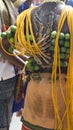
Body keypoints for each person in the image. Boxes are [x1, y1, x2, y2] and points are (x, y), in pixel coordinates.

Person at [1, 0, 73, 130]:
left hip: (36, 95)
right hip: (65, 94)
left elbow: (4, 46)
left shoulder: (26, 17)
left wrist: (26, 64)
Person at [0, 0, 28, 130]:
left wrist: (27, 59)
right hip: (3, 77)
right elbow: (4, 49)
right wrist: (27, 66)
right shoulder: (2, 8)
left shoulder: (7, 5)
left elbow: (10, 48)